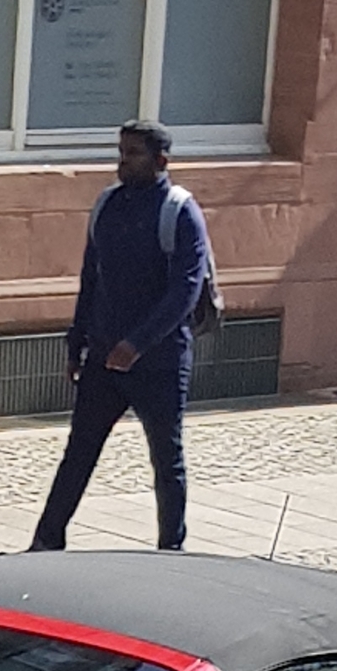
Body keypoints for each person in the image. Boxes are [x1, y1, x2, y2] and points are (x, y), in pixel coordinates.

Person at [29, 121, 217, 554]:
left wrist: (138, 343)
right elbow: (90, 279)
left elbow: (184, 290)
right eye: (120, 151)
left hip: (159, 362)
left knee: (166, 460)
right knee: (79, 452)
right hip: (101, 358)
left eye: (133, 153)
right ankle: (46, 540)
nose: (122, 161)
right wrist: (76, 340)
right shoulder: (107, 206)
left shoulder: (178, 210)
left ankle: (172, 548)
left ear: (161, 161)